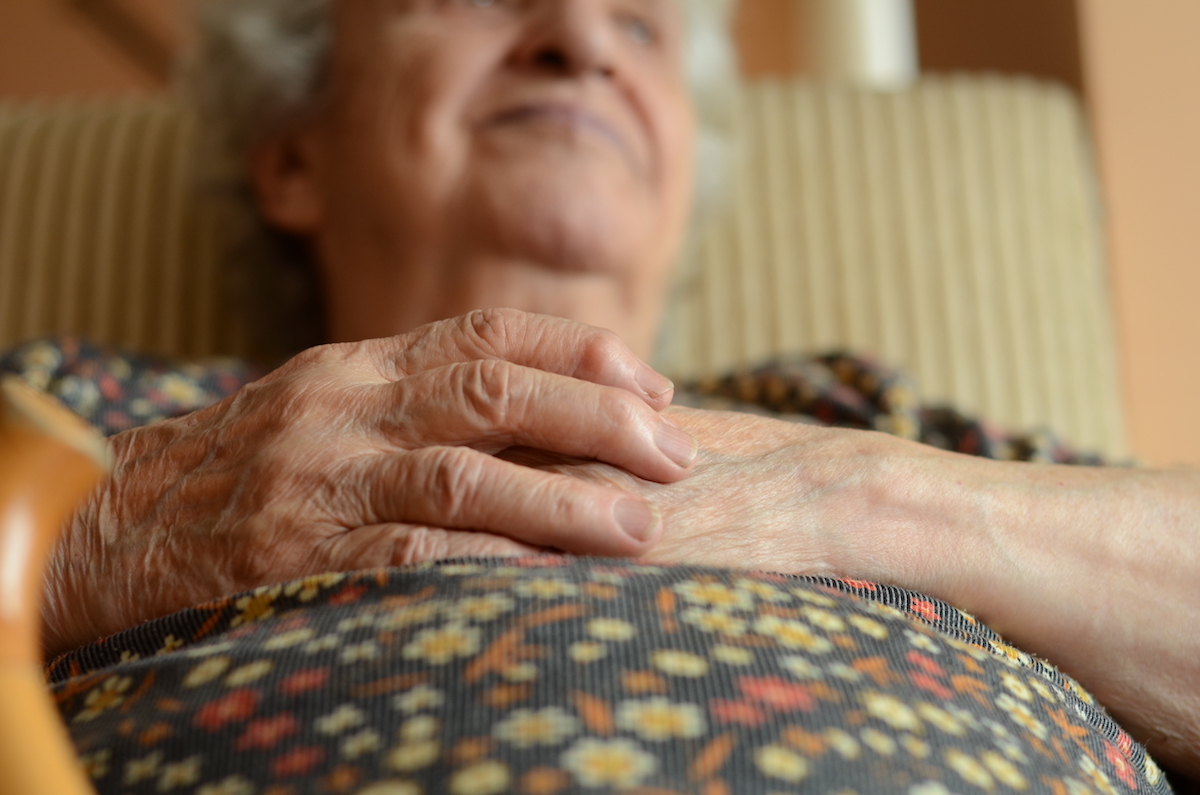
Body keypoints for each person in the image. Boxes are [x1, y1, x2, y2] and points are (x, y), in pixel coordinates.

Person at [7, 0, 1197, 789]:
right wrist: (109, 533)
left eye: (642, 19)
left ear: (684, 169)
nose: (582, 36)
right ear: (292, 153)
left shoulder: (868, 415)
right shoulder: (91, 420)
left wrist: (856, 497)